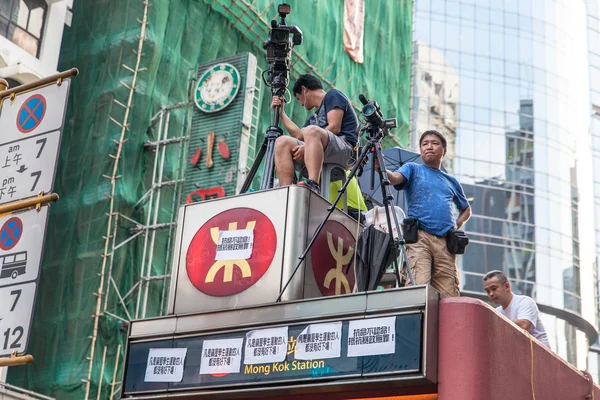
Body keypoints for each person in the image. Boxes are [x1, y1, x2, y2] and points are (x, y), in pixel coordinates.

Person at [379, 130, 471, 297]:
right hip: (419, 238)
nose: (429, 146)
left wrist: (455, 225)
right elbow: (395, 178)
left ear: (444, 150)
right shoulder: (413, 169)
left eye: (434, 143)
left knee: (450, 296)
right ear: (421, 150)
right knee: (418, 288)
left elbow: (466, 209)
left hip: (446, 244)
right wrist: (383, 170)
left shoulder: (451, 181)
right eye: (424, 143)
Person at [271, 74, 358, 193]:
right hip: (323, 152)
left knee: (311, 131)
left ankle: (313, 185)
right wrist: (281, 113)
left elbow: (334, 127)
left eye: (299, 98)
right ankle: (285, 191)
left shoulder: (333, 95)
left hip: (346, 150)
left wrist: (307, 146)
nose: (301, 103)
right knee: (282, 142)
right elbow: (299, 136)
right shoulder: (313, 119)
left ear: (304, 89)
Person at [483, 270, 550, 348]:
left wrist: (496, 326)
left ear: (507, 286)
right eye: (487, 291)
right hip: (519, 354)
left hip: (541, 354)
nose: (491, 294)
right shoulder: (497, 312)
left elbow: (523, 325)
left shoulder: (525, 302)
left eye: (494, 288)